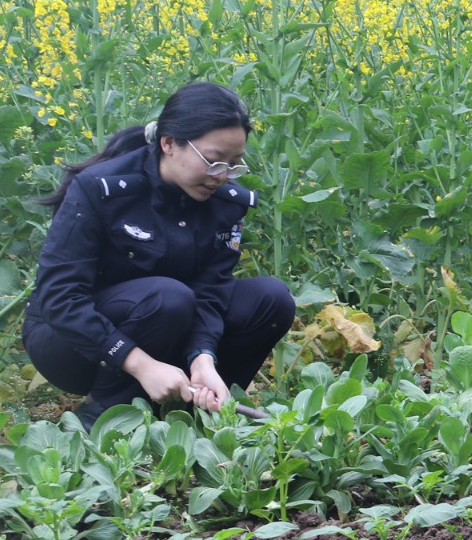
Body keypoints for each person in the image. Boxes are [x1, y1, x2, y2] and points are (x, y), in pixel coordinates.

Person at [23, 82, 295, 428]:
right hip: (70, 344)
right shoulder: (101, 188)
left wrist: (202, 358)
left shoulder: (225, 202)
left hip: (167, 324)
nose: (222, 176)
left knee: (271, 299)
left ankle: (199, 410)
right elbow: (60, 298)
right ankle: (104, 419)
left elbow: (212, 291)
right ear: (169, 143)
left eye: (233, 165)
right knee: (170, 296)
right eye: (213, 162)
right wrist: (140, 364)